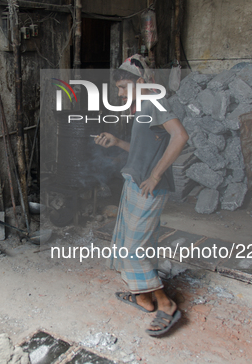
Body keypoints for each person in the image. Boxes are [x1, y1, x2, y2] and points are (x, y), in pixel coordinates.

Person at [94, 54, 189, 337]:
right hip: (135, 184)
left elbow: (180, 136)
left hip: (149, 187)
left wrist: (156, 175)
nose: (121, 93)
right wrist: (117, 141)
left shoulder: (156, 103)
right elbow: (142, 148)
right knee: (131, 241)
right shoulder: (142, 108)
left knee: (134, 248)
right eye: (119, 89)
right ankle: (144, 299)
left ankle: (167, 305)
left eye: (124, 87)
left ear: (142, 83)